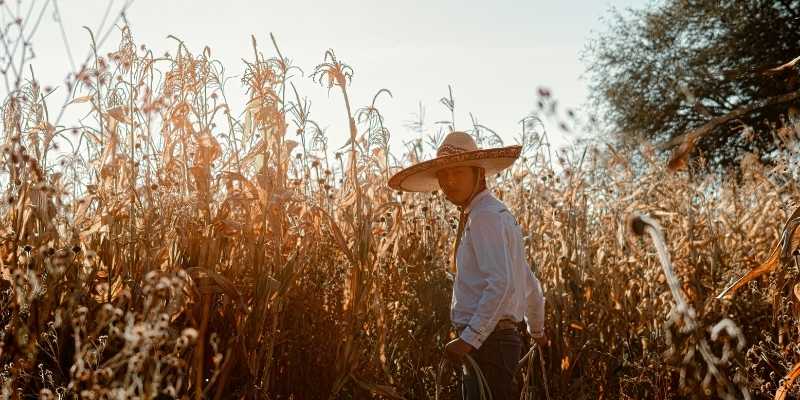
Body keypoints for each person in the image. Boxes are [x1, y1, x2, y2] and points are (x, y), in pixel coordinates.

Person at [388, 131, 546, 400]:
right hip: (498, 342)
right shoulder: (497, 214)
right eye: (443, 175)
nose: (449, 181)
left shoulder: (484, 217)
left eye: (458, 172)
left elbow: (502, 283)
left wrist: (470, 339)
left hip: (488, 344)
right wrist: (538, 330)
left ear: (479, 174)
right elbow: (527, 281)